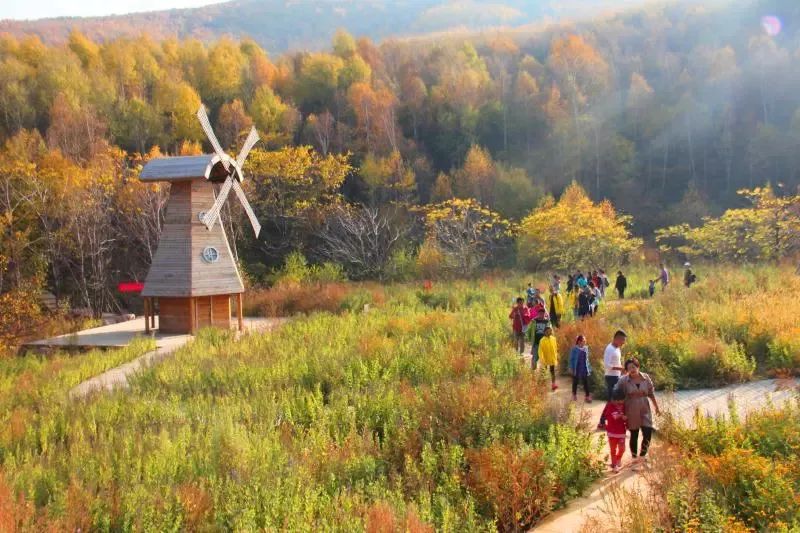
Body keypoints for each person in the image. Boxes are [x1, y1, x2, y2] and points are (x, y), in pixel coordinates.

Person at [615, 357, 661, 468]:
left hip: (645, 407)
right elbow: (616, 394)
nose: (632, 369)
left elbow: (651, 393)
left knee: (647, 432)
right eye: (629, 368)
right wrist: (620, 411)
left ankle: (642, 456)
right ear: (626, 370)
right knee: (634, 434)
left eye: (634, 366)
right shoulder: (623, 380)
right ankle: (634, 459)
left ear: (638, 366)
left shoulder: (646, 378)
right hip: (631, 408)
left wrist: (656, 407)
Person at [597, 330, 627, 430]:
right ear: (617, 338)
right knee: (611, 400)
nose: (623, 343)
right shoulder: (609, 349)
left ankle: (607, 421)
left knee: (612, 400)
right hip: (611, 377)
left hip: (616, 377)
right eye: (622, 340)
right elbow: (607, 365)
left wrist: (622, 371)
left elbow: (616, 362)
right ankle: (602, 422)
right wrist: (620, 369)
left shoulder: (617, 348)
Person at [602, 387, 628, 473]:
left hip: (621, 431)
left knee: (622, 448)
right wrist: (621, 416)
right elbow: (610, 416)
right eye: (621, 400)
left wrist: (625, 419)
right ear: (615, 399)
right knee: (613, 449)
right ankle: (614, 465)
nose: (622, 402)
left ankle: (617, 460)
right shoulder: (610, 405)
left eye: (623, 400)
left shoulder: (623, 405)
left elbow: (626, 415)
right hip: (612, 432)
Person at [569, 335, 592, 402]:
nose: (585, 342)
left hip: (584, 368)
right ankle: (574, 395)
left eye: (585, 341)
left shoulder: (586, 348)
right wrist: (571, 368)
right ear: (579, 341)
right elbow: (571, 359)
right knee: (575, 382)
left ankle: (587, 396)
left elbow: (587, 359)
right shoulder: (574, 349)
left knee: (586, 382)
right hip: (577, 368)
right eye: (583, 341)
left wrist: (589, 368)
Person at [538, 325, 559, 391]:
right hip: (545, 359)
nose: (550, 332)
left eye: (550, 331)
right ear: (544, 332)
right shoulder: (542, 340)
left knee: (552, 371)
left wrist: (556, 356)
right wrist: (542, 359)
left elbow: (555, 348)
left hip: (552, 358)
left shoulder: (553, 338)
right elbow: (540, 350)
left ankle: (553, 384)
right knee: (544, 371)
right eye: (548, 331)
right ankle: (542, 385)